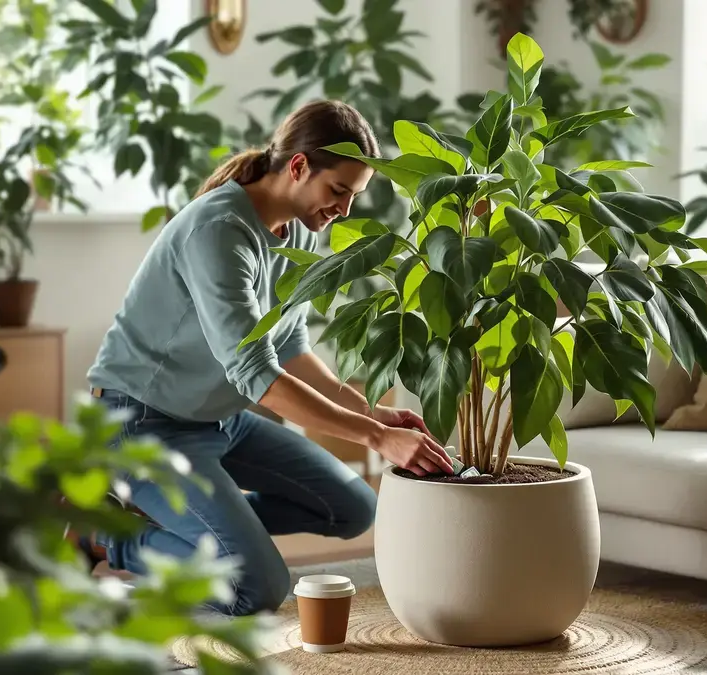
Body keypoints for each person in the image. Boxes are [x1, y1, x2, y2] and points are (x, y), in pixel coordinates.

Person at [81, 100, 454, 616]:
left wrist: (373, 412)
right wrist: (375, 438)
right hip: (142, 423)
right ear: (298, 167)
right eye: (338, 191)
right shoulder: (218, 231)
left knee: (351, 507)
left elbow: (291, 345)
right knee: (256, 587)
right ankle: (107, 539)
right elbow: (258, 375)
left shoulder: (298, 228)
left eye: (354, 196)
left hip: (218, 419)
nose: (344, 210)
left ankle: (206, 527)